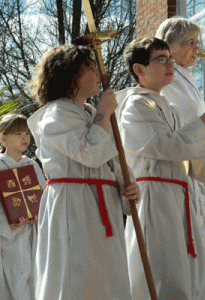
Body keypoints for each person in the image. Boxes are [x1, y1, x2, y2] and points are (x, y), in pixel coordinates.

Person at [27, 44, 140, 300]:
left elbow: (111, 159)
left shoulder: (90, 114)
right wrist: (104, 112)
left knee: (106, 280)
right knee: (76, 278)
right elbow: (90, 154)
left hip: (101, 205)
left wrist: (127, 186)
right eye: (90, 68)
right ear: (69, 76)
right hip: (73, 205)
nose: (99, 74)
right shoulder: (55, 115)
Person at [116, 37, 205, 299]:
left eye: (170, 58)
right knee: (164, 272)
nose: (170, 64)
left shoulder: (170, 107)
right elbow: (165, 147)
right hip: (155, 198)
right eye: (161, 59)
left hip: (180, 194)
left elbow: (182, 157)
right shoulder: (134, 105)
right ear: (139, 70)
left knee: (190, 274)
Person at [156, 16, 205, 299]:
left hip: (202, 179)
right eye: (190, 42)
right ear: (171, 45)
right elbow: (180, 133)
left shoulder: (187, 80)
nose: (197, 48)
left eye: (198, 42)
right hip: (186, 179)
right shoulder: (169, 85)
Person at [0, 113, 46, 300]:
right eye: (18, 134)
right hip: (9, 236)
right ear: (3, 138)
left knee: (35, 279)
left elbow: (44, 198)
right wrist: (8, 222)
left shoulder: (32, 166)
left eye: (27, 133)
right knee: (14, 281)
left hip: (32, 233)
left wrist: (39, 215)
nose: (24, 138)